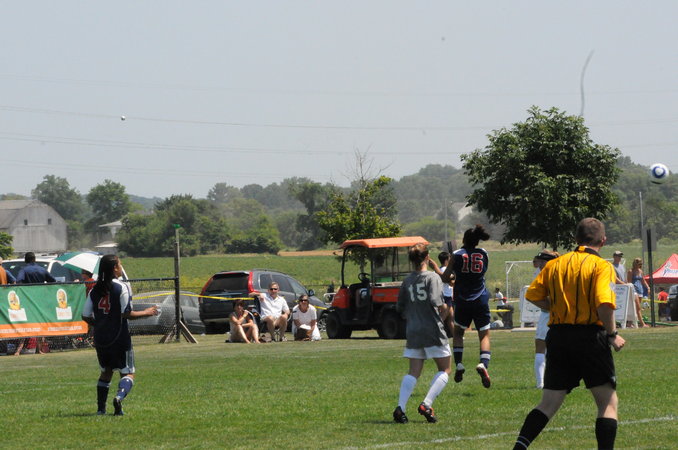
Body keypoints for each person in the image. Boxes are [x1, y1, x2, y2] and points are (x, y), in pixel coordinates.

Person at [512, 218, 626, 449]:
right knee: (607, 402)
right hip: (590, 337)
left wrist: (555, 307)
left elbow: (532, 295)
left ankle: (519, 447)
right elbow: (604, 304)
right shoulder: (602, 266)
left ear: (576, 239)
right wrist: (612, 334)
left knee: (548, 403)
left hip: (558, 336)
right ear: (603, 241)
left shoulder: (555, 264)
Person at [82, 254, 158, 415]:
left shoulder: (94, 289)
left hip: (101, 338)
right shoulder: (121, 287)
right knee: (128, 372)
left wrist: (100, 324)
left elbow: (85, 315)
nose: (121, 267)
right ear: (115, 268)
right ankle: (118, 397)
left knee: (106, 372)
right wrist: (147, 312)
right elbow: (126, 313)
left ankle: (101, 410)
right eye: (120, 264)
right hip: (119, 336)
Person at [393, 243, 450, 424]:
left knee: (413, 372)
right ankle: (426, 404)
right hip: (432, 329)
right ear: (427, 257)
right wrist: (446, 308)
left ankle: (400, 408)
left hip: (413, 330)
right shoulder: (432, 277)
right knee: (445, 369)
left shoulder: (407, 280)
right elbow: (436, 301)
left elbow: (400, 307)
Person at [441, 224, 492, 389]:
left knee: (458, 333)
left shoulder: (456, 255)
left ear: (464, 239)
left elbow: (445, 277)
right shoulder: (483, 253)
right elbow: (481, 273)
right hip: (480, 298)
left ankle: (459, 364)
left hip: (462, 299)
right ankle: (483, 364)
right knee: (484, 335)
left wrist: (453, 273)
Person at [15, 252, 56, 355]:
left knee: (26, 324)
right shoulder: (42, 270)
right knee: (40, 323)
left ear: (26, 260)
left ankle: (18, 350)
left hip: (28, 301)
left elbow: (18, 281)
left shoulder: (24, 270)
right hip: (40, 300)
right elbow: (53, 281)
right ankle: (40, 349)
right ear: (34, 259)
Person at [531, 250, 559, 389]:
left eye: (542, 261)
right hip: (560, 314)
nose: (540, 264)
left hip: (549, 315)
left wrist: (549, 307)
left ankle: (541, 382)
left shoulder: (547, 274)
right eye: (539, 261)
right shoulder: (560, 272)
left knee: (541, 347)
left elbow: (534, 296)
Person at [427, 251, 455, 336]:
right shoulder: (446, 270)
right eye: (449, 258)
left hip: (444, 296)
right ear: (446, 260)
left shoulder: (438, 269)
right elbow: (451, 283)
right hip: (446, 296)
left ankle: (455, 335)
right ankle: (433, 333)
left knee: (450, 318)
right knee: (442, 318)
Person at [627, 257, 649, 328]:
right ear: (634, 263)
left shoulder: (640, 271)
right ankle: (642, 324)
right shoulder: (631, 271)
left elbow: (643, 280)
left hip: (640, 291)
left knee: (635, 308)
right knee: (638, 308)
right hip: (634, 291)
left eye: (640, 264)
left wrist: (647, 287)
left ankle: (629, 323)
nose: (639, 265)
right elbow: (629, 282)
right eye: (638, 263)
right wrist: (631, 290)